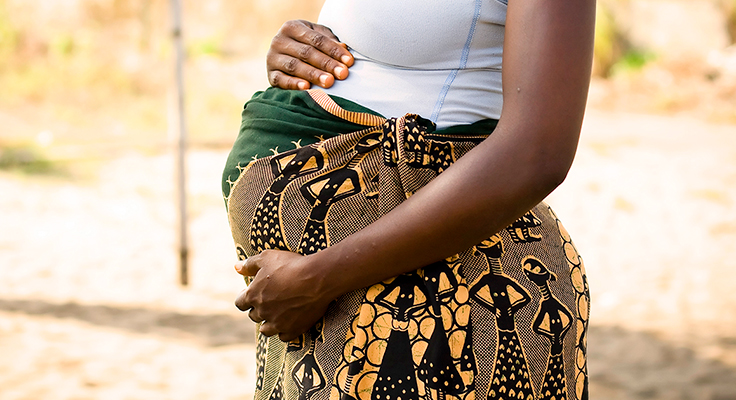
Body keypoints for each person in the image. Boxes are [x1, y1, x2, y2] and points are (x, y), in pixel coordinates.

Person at [223, 0, 594, 399]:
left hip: (443, 294)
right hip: (334, 299)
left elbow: (537, 154)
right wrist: (303, 50)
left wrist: (318, 278)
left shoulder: (320, 280)